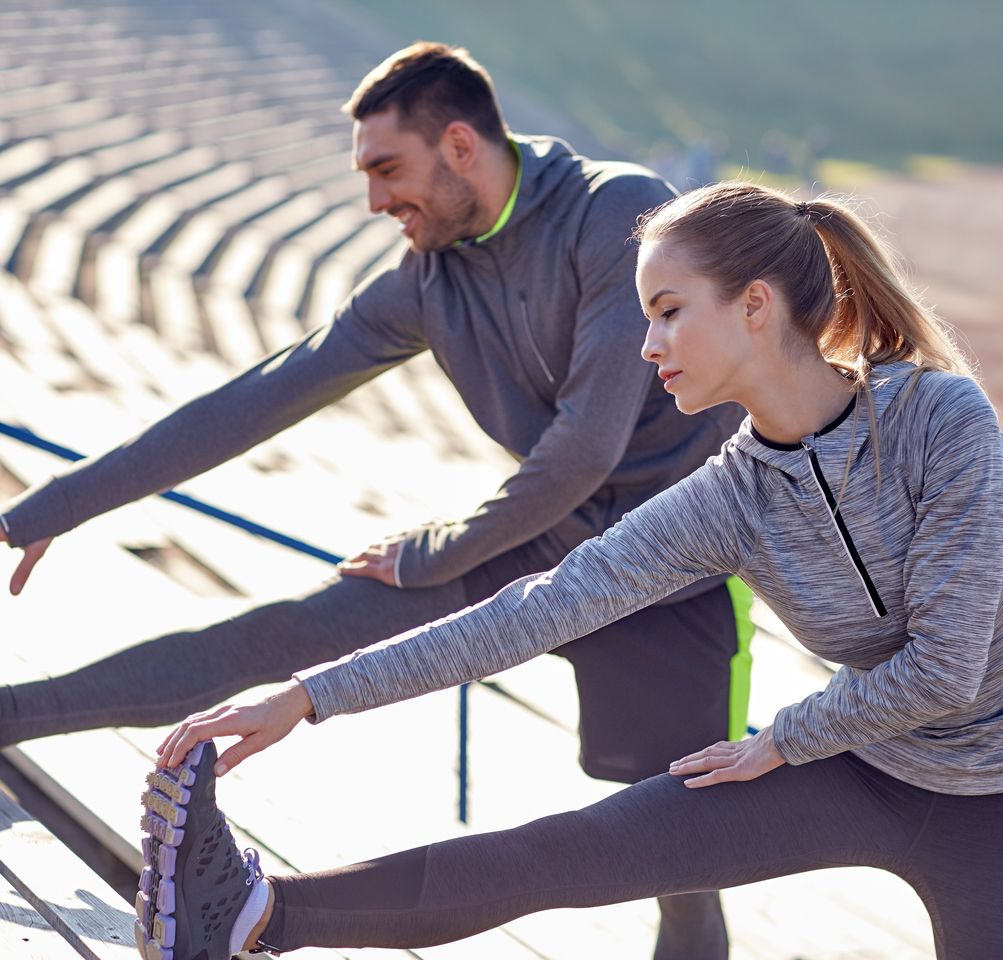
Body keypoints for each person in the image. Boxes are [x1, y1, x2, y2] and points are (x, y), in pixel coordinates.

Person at [139, 181, 1003, 960]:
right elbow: (534, 612)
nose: (648, 345)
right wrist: (305, 697)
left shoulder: (941, 420)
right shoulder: (731, 498)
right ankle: (255, 917)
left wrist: (787, 739)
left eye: (670, 313)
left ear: (756, 305)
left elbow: (948, 667)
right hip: (859, 764)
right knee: (569, 854)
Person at [0, 42, 750, 959]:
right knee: (275, 637)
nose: (374, 200)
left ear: (462, 145)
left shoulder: (619, 214)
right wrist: (44, 509)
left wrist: (437, 549)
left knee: (679, 860)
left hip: (672, 573)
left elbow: (585, 450)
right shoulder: (427, 282)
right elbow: (257, 397)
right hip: (531, 539)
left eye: (389, 169)